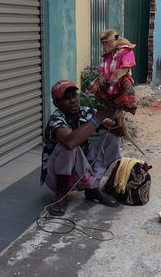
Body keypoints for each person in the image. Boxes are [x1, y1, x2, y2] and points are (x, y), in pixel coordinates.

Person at [41, 80, 125, 216]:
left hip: (81, 169)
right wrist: (98, 118)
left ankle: (93, 188)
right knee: (68, 146)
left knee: (112, 138)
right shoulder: (55, 120)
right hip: (56, 176)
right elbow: (70, 142)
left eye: (74, 95)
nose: (73, 101)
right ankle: (61, 194)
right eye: (66, 98)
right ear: (57, 103)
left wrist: (117, 111)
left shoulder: (86, 112)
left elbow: (118, 132)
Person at [89, 29, 137, 115]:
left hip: (120, 78)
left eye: (106, 42)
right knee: (99, 87)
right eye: (102, 43)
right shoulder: (110, 52)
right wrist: (101, 78)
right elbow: (105, 67)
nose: (104, 47)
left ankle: (126, 106)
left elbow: (126, 67)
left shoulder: (126, 50)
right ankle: (108, 106)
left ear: (115, 39)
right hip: (108, 79)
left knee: (127, 87)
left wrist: (116, 77)